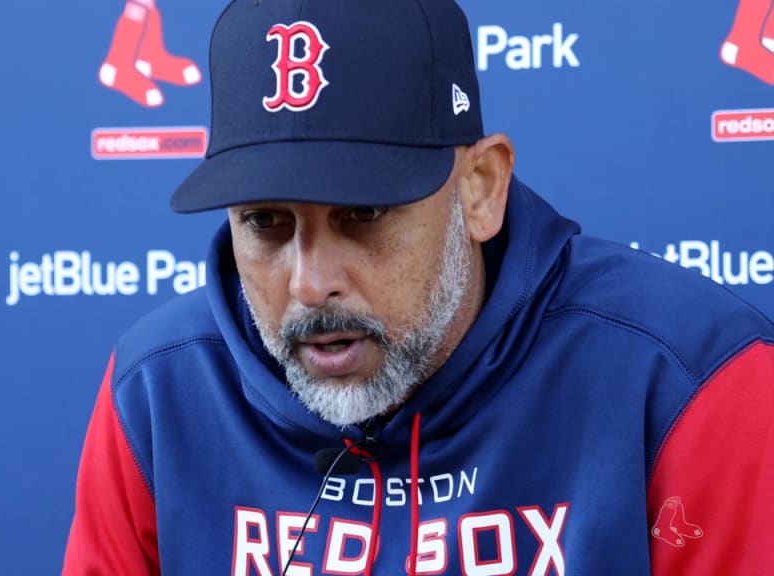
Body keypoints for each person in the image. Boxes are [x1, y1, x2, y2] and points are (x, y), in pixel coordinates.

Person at [63, 0, 774, 574]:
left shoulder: (691, 376)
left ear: (479, 187)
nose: (311, 286)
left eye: (364, 214)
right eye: (267, 222)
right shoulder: (159, 388)